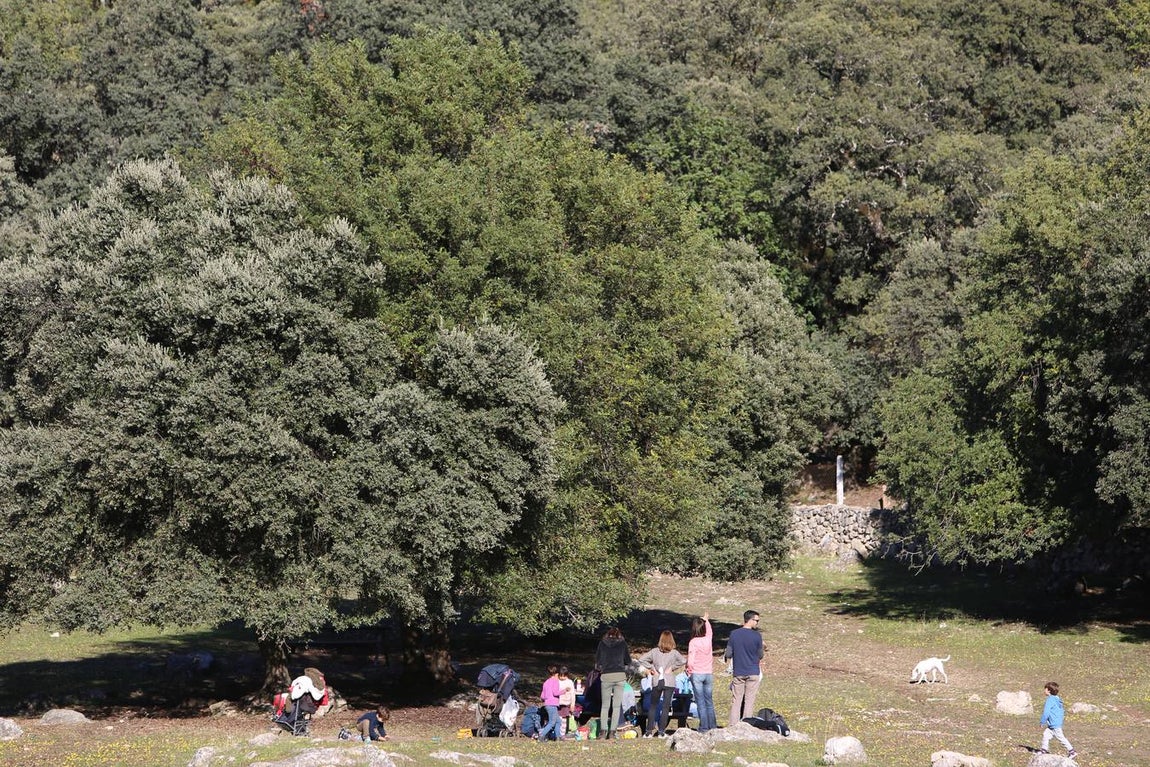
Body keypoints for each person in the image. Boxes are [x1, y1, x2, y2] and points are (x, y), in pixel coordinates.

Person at [638, 630, 686, 737]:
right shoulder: (674, 653)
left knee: (653, 706)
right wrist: (672, 668)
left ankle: (648, 732)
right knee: (665, 707)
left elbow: (641, 659)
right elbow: (683, 661)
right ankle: (661, 732)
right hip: (669, 681)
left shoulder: (654, 651)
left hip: (657, 680)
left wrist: (652, 668)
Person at [727, 609, 764, 726]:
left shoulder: (734, 634)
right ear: (750, 620)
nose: (757, 623)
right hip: (753, 671)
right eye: (756, 620)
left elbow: (728, 653)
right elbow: (761, 655)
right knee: (749, 700)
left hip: (739, 671)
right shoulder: (757, 636)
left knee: (736, 700)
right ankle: (746, 725)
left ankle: (733, 725)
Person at [595, 626, 630, 739]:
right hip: (620, 676)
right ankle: (613, 732)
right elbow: (628, 660)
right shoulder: (622, 644)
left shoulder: (602, 643)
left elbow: (598, 661)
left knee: (605, 706)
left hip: (606, 676)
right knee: (616, 706)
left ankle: (603, 731)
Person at [687, 610, 717, 732]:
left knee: (700, 702)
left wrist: (689, 671)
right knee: (709, 701)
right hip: (708, 673)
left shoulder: (693, 642)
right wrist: (706, 620)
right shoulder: (708, 639)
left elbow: (691, 660)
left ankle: (704, 727)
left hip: (697, 674)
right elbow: (710, 631)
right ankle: (713, 726)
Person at [1038, 681, 1077, 759]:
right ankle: (1044, 749)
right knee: (1046, 734)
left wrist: (1042, 721)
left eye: (1045, 689)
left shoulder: (1050, 700)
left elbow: (1046, 712)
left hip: (1054, 724)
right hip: (1055, 723)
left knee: (1061, 737)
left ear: (1049, 690)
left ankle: (1072, 751)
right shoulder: (1057, 699)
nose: (1044, 691)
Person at [537, 665, 563, 741]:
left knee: (558, 721)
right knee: (552, 722)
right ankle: (541, 736)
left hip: (547, 704)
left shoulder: (546, 682)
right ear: (557, 674)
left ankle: (558, 737)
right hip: (553, 704)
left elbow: (542, 696)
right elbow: (555, 693)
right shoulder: (555, 681)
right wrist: (564, 691)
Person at [557, 666, 576, 738]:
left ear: (567, 675)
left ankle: (562, 734)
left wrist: (572, 704)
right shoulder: (557, 681)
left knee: (564, 719)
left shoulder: (569, 682)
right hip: (558, 703)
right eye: (560, 676)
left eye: (564, 676)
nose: (562, 678)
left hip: (566, 703)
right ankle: (557, 733)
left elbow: (573, 694)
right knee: (558, 719)